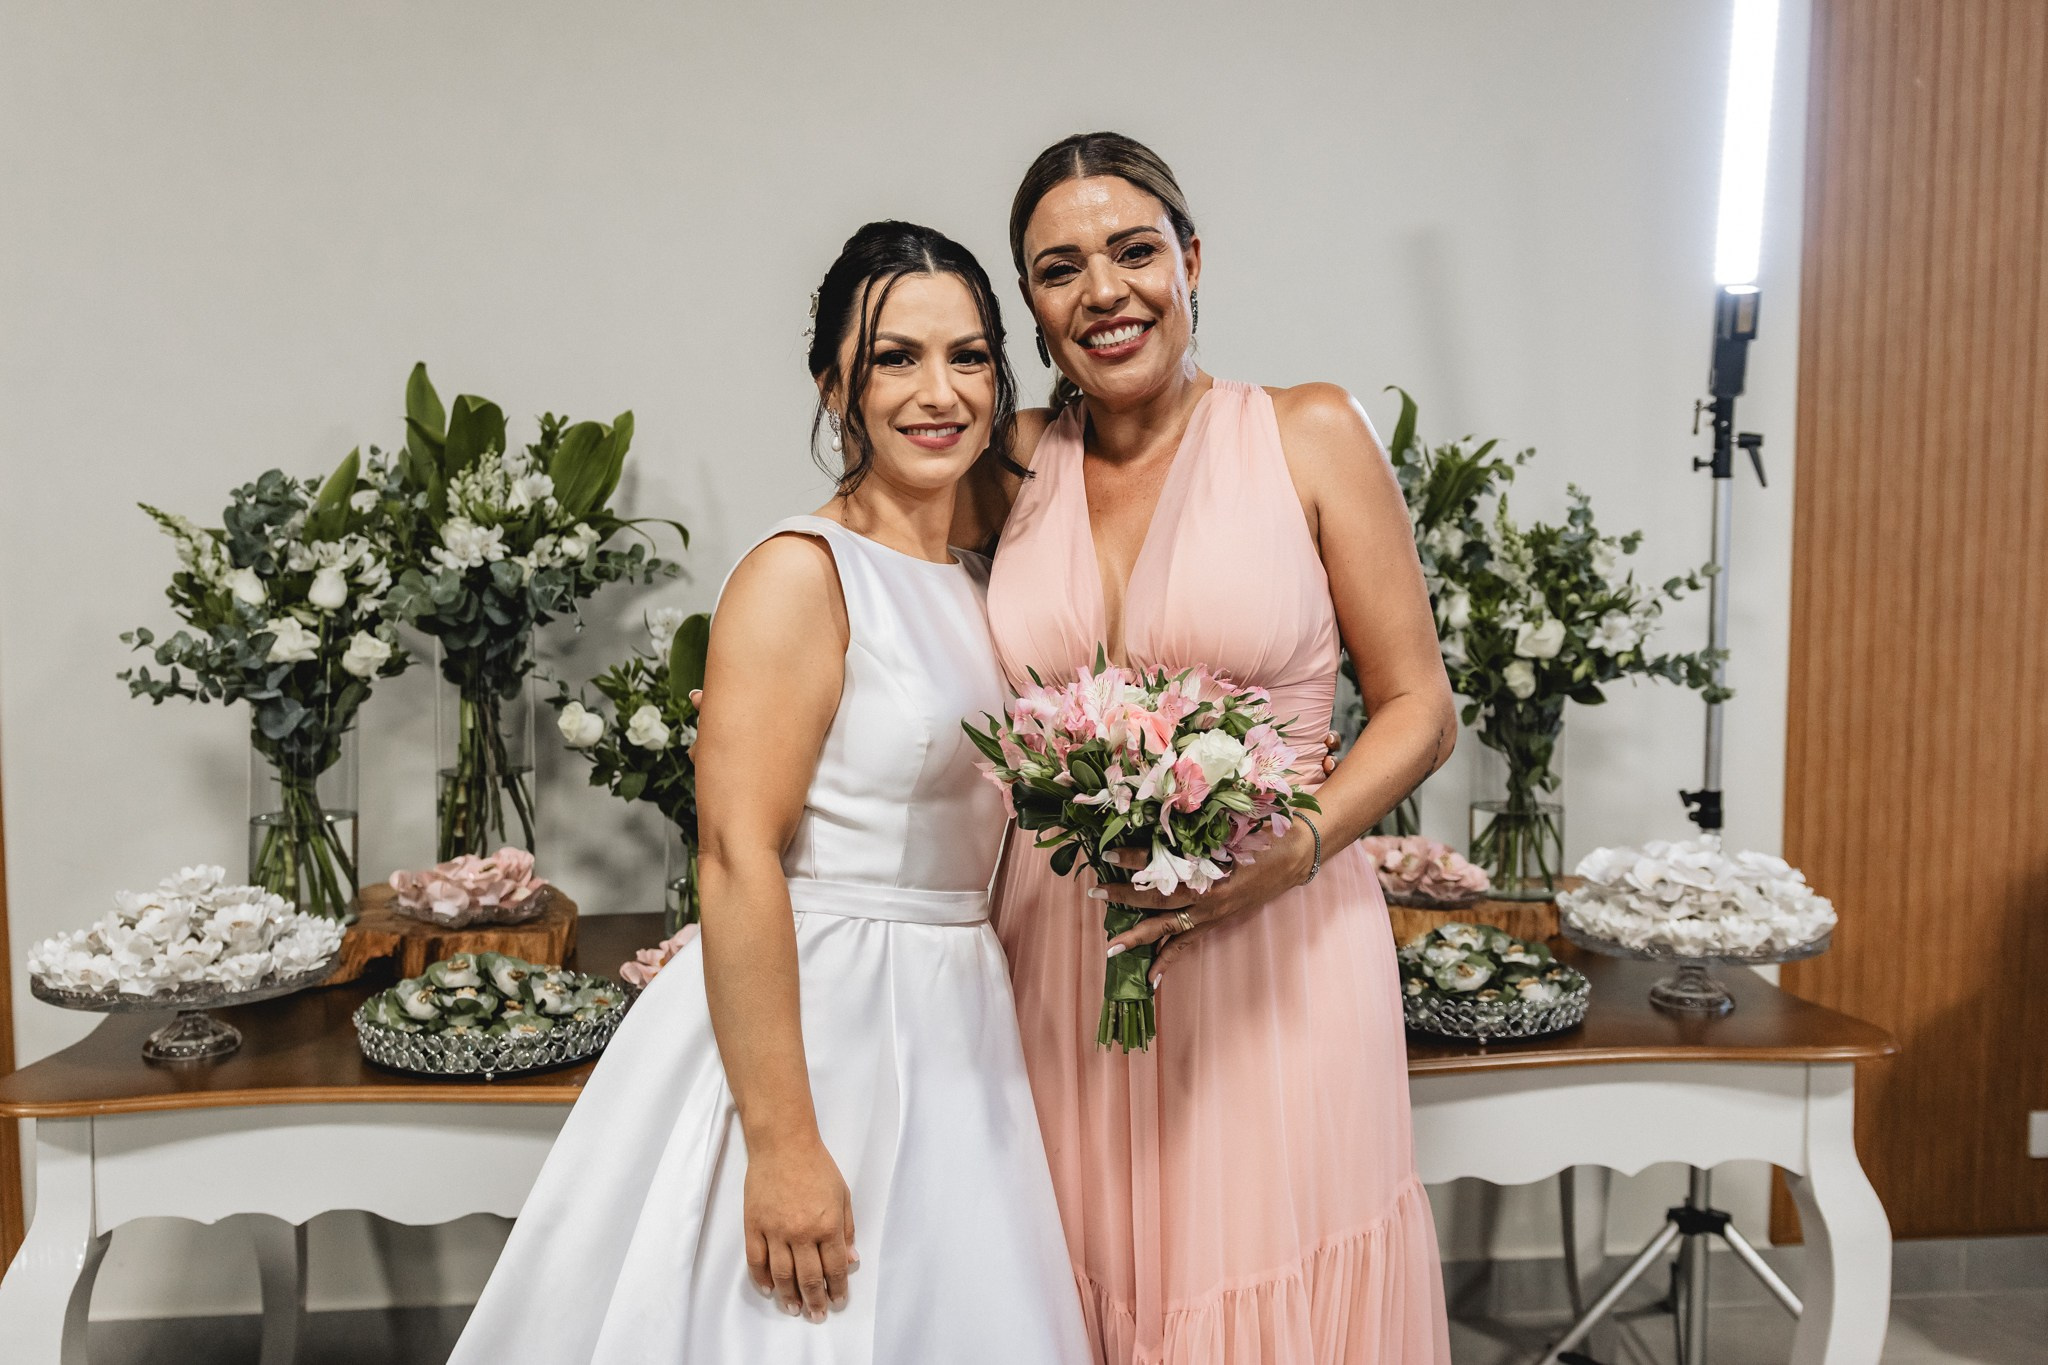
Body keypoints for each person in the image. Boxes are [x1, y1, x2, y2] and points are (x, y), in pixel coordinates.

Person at [449, 220, 1090, 1364]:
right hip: (821, 1008)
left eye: (969, 355)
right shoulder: (801, 573)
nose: (936, 391)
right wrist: (784, 1144)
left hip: (954, 1010)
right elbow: (735, 857)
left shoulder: (981, 572)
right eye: (894, 357)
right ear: (831, 385)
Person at [958, 132, 1457, 1364]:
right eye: (1059, 269)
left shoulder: (1307, 432)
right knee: (1078, 1273)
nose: (1104, 292)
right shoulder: (1002, 460)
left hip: (1276, 937)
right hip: (1065, 947)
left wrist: (1296, 847)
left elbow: (1417, 707)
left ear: (1190, 260)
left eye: (1133, 252)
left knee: (1258, 1284)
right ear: (1029, 303)